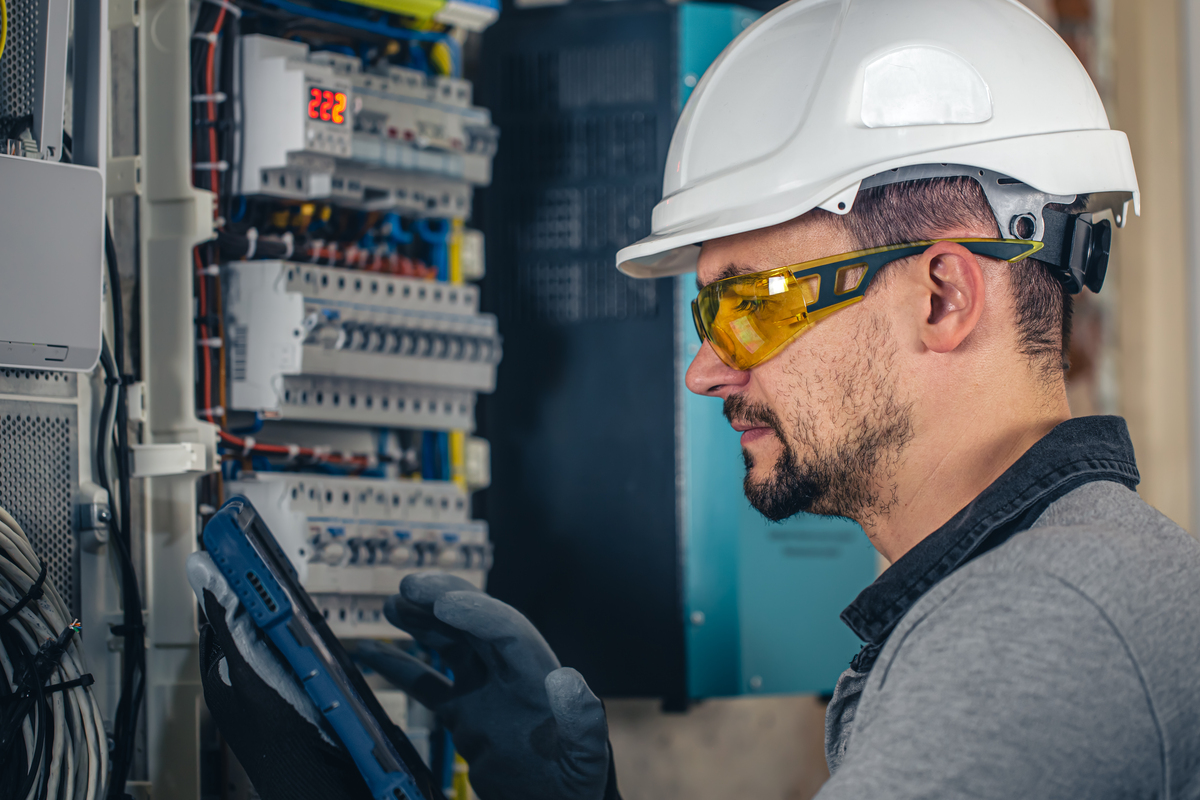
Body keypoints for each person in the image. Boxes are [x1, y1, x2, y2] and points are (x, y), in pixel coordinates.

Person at [188, 0, 1200, 797]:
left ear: (942, 295)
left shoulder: (1038, 631)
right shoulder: (1024, 589)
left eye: (752, 307)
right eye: (704, 315)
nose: (705, 369)